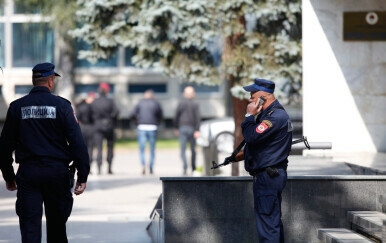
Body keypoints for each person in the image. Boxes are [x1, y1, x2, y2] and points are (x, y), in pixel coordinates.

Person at [0, 62, 90, 243]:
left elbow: (4, 146)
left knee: (30, 229)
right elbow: (77, 143)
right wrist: (82, 175)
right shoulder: (63, 106)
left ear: (34, 82)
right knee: (57, 228)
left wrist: (9, 176)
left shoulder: (17, 107)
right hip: (57, 174)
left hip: (29, 174)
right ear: (50, 82)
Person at [227, 78, 292, 242]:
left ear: (264, 97)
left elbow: (252, 136)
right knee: (271, 224)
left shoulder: (275, 117)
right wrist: (241, 156)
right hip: (269, 176)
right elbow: (264, 146)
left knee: (268, 229)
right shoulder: (270, 115)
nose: (249, 99)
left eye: (252, 95)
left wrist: (249, 116)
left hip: (268, 178)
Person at [130, 89, 163, 175]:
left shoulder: (140, 103)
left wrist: (137, 122)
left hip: (142, 127)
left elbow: (132, 114)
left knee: (142, 149)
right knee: (152, 149)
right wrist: (157, 123)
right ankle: (151, 167)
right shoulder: (156, 103)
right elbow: (161, 115)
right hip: (152, 127)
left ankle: (143, 165)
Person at [91, 83, 119, 175]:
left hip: (97, 126)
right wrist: (112, 121)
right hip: (109, 126)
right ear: (107, 91)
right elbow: (116, 112)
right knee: (110, 147)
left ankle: (99, 168)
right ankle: (109, 168)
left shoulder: (95, 102)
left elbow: (90, 114)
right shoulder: (110, 101)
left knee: (99, 148)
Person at [174, 86, 201, 175]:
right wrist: (197, 130)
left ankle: (185, 167)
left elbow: (176, 116)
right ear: (193, 94)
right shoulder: (195, 104)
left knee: (182, 149)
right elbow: (197, 118)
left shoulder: (180, 103)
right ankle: (193, 167)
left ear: (184, 94)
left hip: (182, 128)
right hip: (192, 129)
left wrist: (176, 127)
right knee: (193, 149)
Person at [76, 92, 96, 168]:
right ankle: (89, 164)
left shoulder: (80, 107)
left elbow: (77, 118)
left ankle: (83, 165)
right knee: (90, 147)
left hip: (83, 128)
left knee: (83, 147)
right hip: (91, 128)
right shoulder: (93, 107)